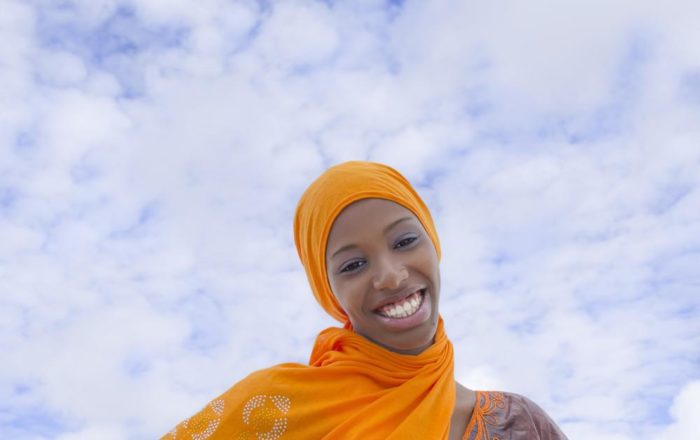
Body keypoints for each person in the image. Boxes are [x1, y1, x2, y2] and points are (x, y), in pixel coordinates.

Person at [162, 161, 568, 439]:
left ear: (433, 243)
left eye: (405, 241)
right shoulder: (273, 409)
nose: (390, 275)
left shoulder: (519, 425)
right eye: (353, 265)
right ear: (328, 291)